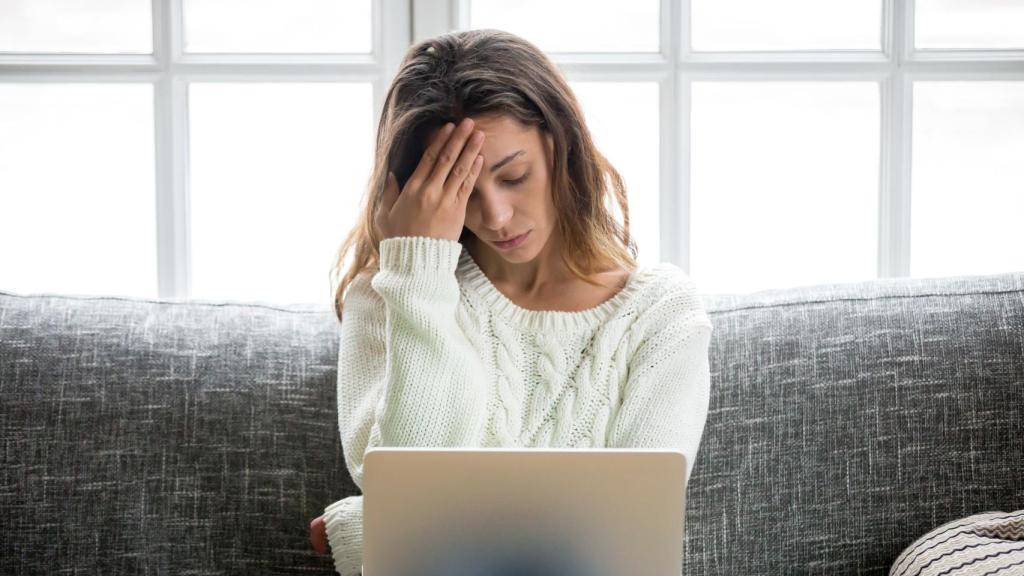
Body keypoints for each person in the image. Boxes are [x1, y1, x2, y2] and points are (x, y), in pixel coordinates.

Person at [309, 28, 715, 576]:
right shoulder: (393, 295)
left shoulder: (662, 315)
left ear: (560, 145)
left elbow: (629, 541)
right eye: (463, 193)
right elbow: (411, 481)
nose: (495, 216)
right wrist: (418, 271)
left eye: (514, 176)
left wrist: (361, 532)